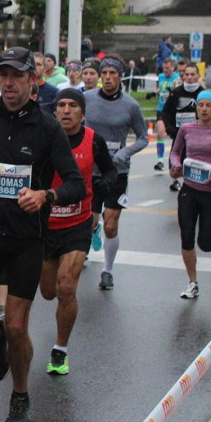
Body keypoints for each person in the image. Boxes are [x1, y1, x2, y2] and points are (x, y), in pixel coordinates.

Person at [0, 47, 84, 422]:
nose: (9, 83)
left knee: (18, 327)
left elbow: (76, 183)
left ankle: (20, 394)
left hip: (27, 242)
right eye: (3, 75)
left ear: (33, 81)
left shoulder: (47, 129)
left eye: (17, 76)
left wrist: (47, 196)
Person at [38, 89, 116, 376]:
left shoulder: (94, 140)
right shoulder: (44, 138)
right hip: (46, 226)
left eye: (73, 105)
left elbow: (110, 171)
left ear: (82, 113)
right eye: (61, 105)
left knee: (66, 287)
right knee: (47, 292)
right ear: (54, 110)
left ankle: (60, 349)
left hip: (78, 223)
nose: (67, 110)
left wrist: (102, 187)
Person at [84, 56, 149, 291]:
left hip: (116, 172)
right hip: (90, 170)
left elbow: (143, 138)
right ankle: (90, 237)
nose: (108, 78)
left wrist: (125, 153)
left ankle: (107, 271)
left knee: (111, 225)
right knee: (89, 223)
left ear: (121, 76)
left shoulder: (131, 105)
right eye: (105, 73)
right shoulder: (87, 98)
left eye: (113, 73)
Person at [170, 90, 211, 299]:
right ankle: (192, 282)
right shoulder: (187, 129)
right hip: (189, 189)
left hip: (209, 194)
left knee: (205, 243)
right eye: (201, 105)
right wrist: (176, 166)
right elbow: (176, 152)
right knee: (187, 237)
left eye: (208, 105)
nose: (204, 109)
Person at [163, 64, 205, 192]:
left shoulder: (203, 94)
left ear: (198, 76)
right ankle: (177, 181)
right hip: (179, 134)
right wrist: (170, 129)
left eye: (193, 74)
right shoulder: (176, 93)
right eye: (187, 74)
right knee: (174, 167)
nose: (190, 77)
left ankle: (195, 185)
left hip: (198, 137)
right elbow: (166, 112)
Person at [154, 57, 181, 172]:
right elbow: (160, 88)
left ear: (173, 67)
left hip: (173, 111)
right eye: (163, 68)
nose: (165, 70)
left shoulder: (178, 78)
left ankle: (176, 160)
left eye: (167, 68)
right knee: (160, 133)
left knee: (177, 137)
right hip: (161, 109)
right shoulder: (160, 77)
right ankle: (160, 161)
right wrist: (154, 93)